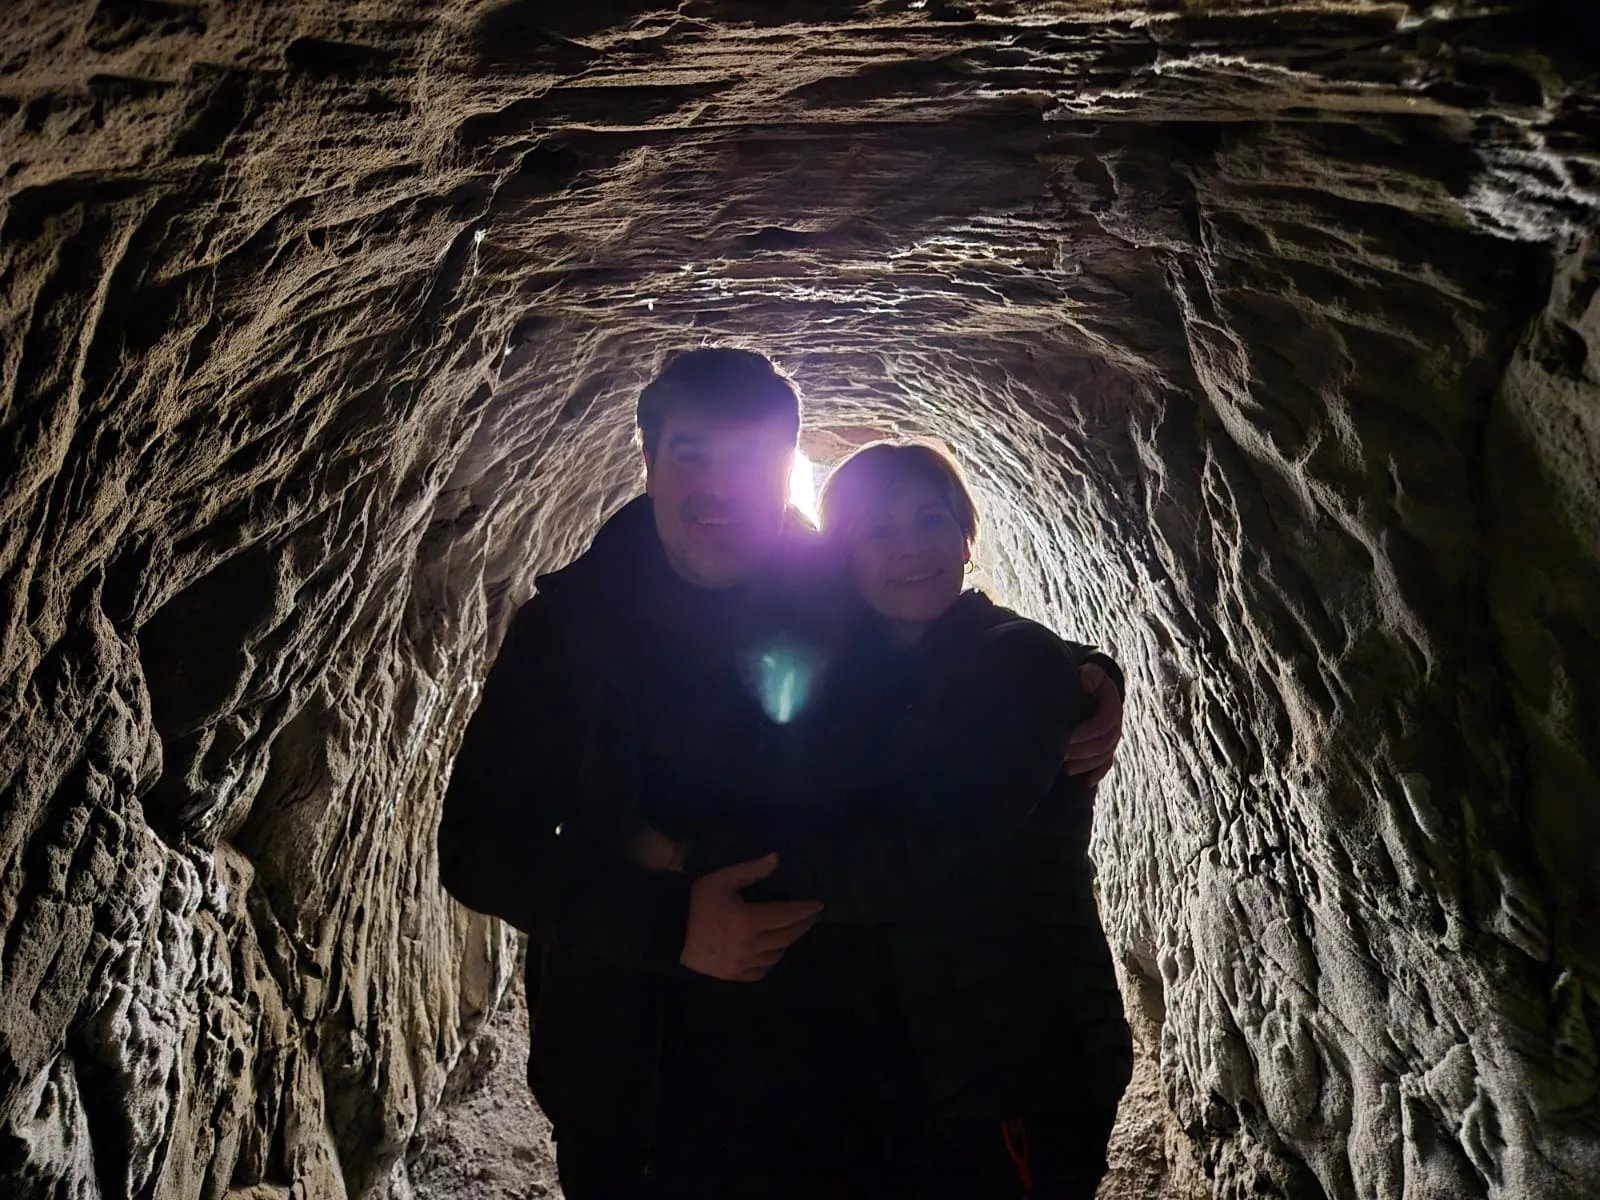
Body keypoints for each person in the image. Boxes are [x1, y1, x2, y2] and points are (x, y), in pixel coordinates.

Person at [437, 349, 1125, 1197]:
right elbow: (476, 845)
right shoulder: (570, 633)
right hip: (636, 1085)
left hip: (834, 1079)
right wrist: (670, 926)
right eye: (693, 455)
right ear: (649, 464)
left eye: (755, 460)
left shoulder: (837, 591)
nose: (721, 489)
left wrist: (1082, 675)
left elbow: (951, 634)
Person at [639, 440, 1134, 1198]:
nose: (910, 546)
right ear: (843, 555)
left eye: (931, 520)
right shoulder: (869, 675)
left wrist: (686, 859)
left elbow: (916, 859)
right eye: (877, 529)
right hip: (926, 1055)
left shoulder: (1020, 663)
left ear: (967, 539)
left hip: (1024, 1053)